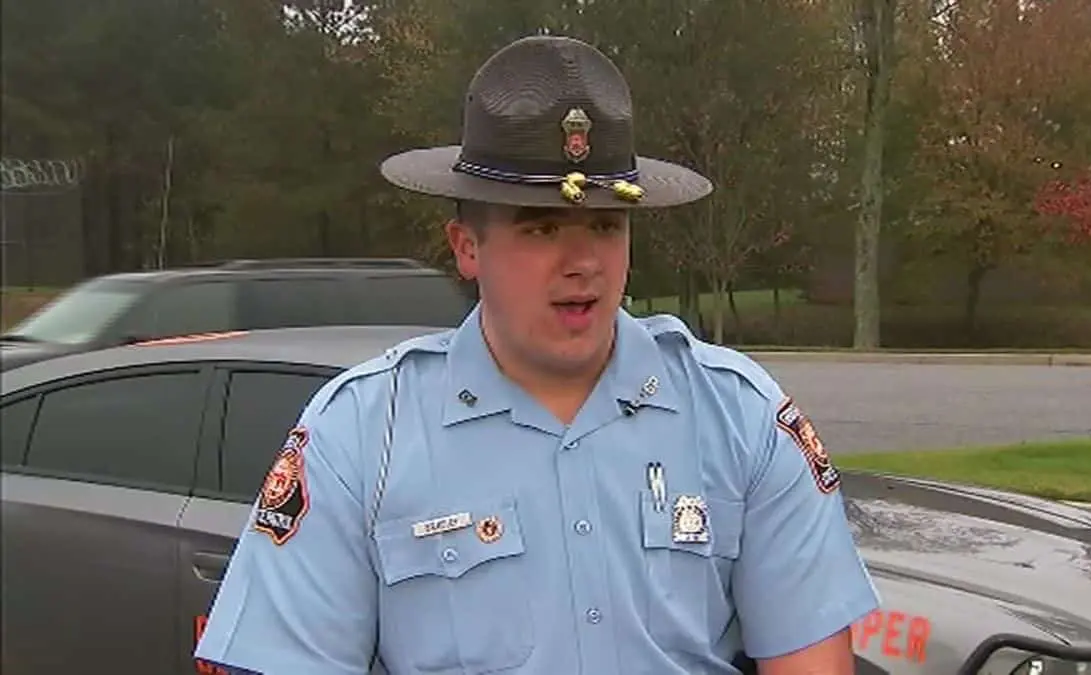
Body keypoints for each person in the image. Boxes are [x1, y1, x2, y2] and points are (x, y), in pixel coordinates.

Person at [194, 34, 880, 675]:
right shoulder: (363, 434)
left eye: (606, 225)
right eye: (543, 226)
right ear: (467, 247)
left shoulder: (741, 417)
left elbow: (810, 656)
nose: (582, 263)